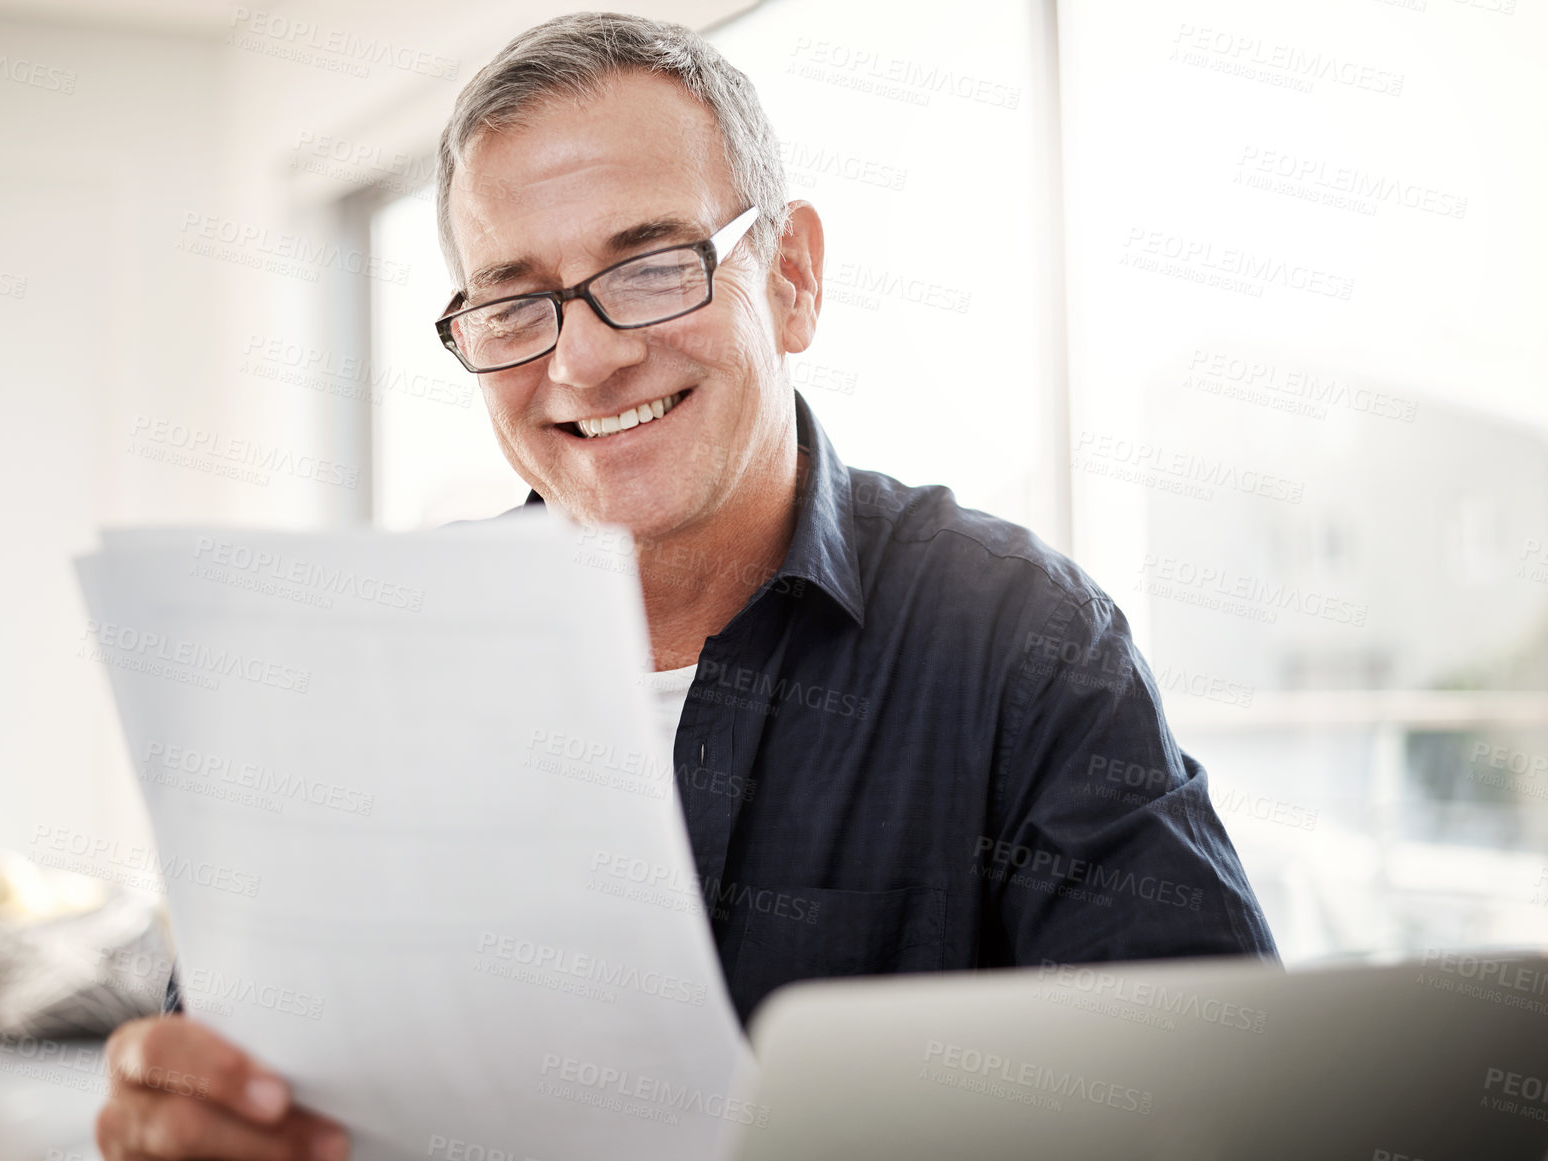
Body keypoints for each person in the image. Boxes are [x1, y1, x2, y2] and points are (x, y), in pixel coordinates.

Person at [95, 12, 1276, 1159]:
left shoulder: (1025, 645)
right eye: (515, 302)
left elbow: (1225, 1109)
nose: (587, 358)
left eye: (655, 267)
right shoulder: (355, 678)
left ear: (793, 277)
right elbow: (235, 1082)